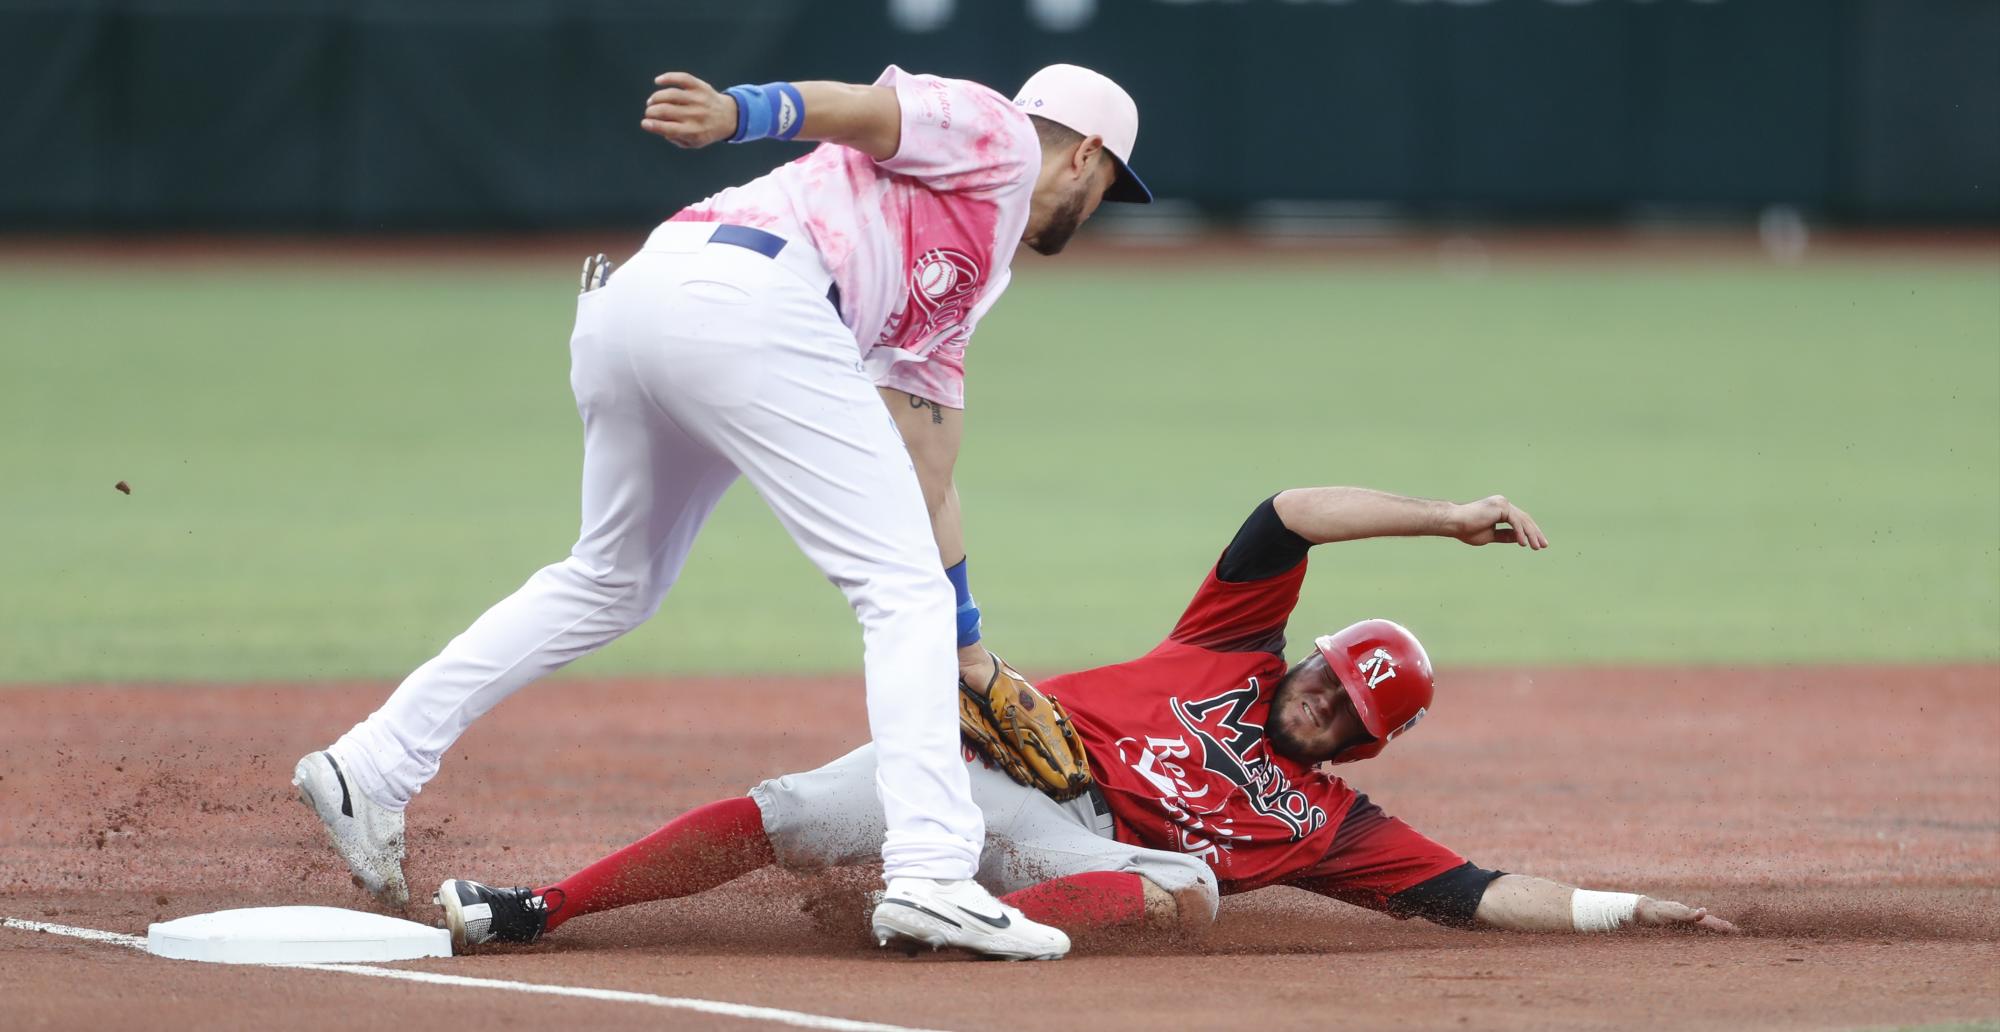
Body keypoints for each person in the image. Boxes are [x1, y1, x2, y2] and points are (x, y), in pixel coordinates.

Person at [292, 62, 1153, 961]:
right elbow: (867, 111)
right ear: (1085, 154)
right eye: (1109, 186)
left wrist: (968, 646)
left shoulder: (974, 264)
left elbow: (927, 465)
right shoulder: (1000, 135)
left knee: (612, 579)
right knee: (900, 595)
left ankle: (371, 765)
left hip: (645, 299)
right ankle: (934, 874)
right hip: (755, 303)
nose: (1101, 207)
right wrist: (741, 113)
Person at [429, 485, 1739, 957]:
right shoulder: (1230, 643)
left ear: (1363, 744)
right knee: (789, 811)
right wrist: (1445, 517)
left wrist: (1626, 910)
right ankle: (538, 907)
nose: (1324, 697)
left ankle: (955, 928)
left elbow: (1476, 891)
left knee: (1187, 892)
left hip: (1086, 862)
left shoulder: (1332, 826)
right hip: (993, 777)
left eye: (1348, 710)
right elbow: (1284, 512)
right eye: (1331, 672)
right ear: (1312, 652)